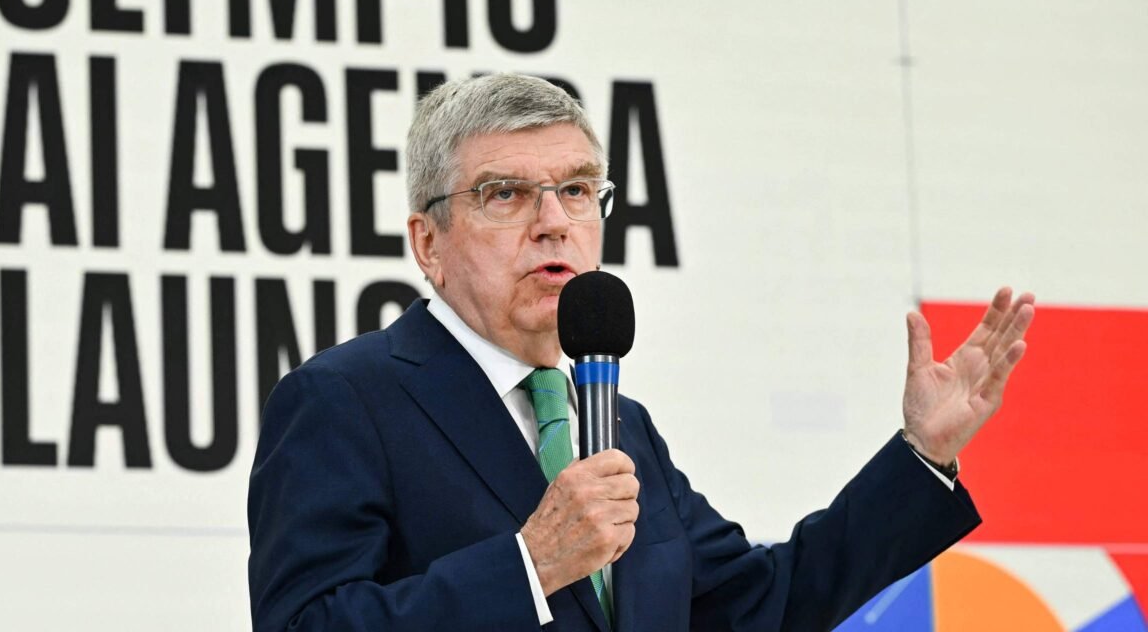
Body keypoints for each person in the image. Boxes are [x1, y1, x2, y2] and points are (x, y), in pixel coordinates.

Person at [247, 74, 1035, 631]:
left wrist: (921, 456)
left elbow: (758, 606)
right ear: (428, 242)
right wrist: (528, 567)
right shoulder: (346, 401)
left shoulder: (616, 422)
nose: (555, 222)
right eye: (506, 194)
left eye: (579, 189)